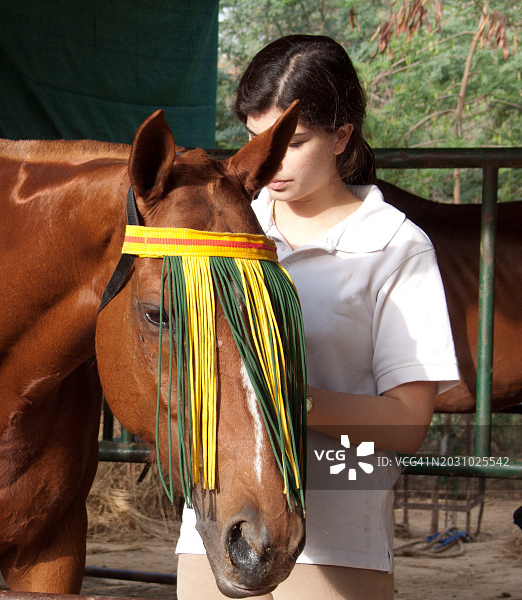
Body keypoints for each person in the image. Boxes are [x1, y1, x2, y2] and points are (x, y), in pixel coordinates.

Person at [175, 34, 460, 600]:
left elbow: (408, 423)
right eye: (257, 139)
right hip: (214, 527)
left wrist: (286, 397)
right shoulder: (221, 234)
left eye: (294, 140)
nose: (270, 160)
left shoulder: (396, 246)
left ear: (342, 137)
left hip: (337, 540)